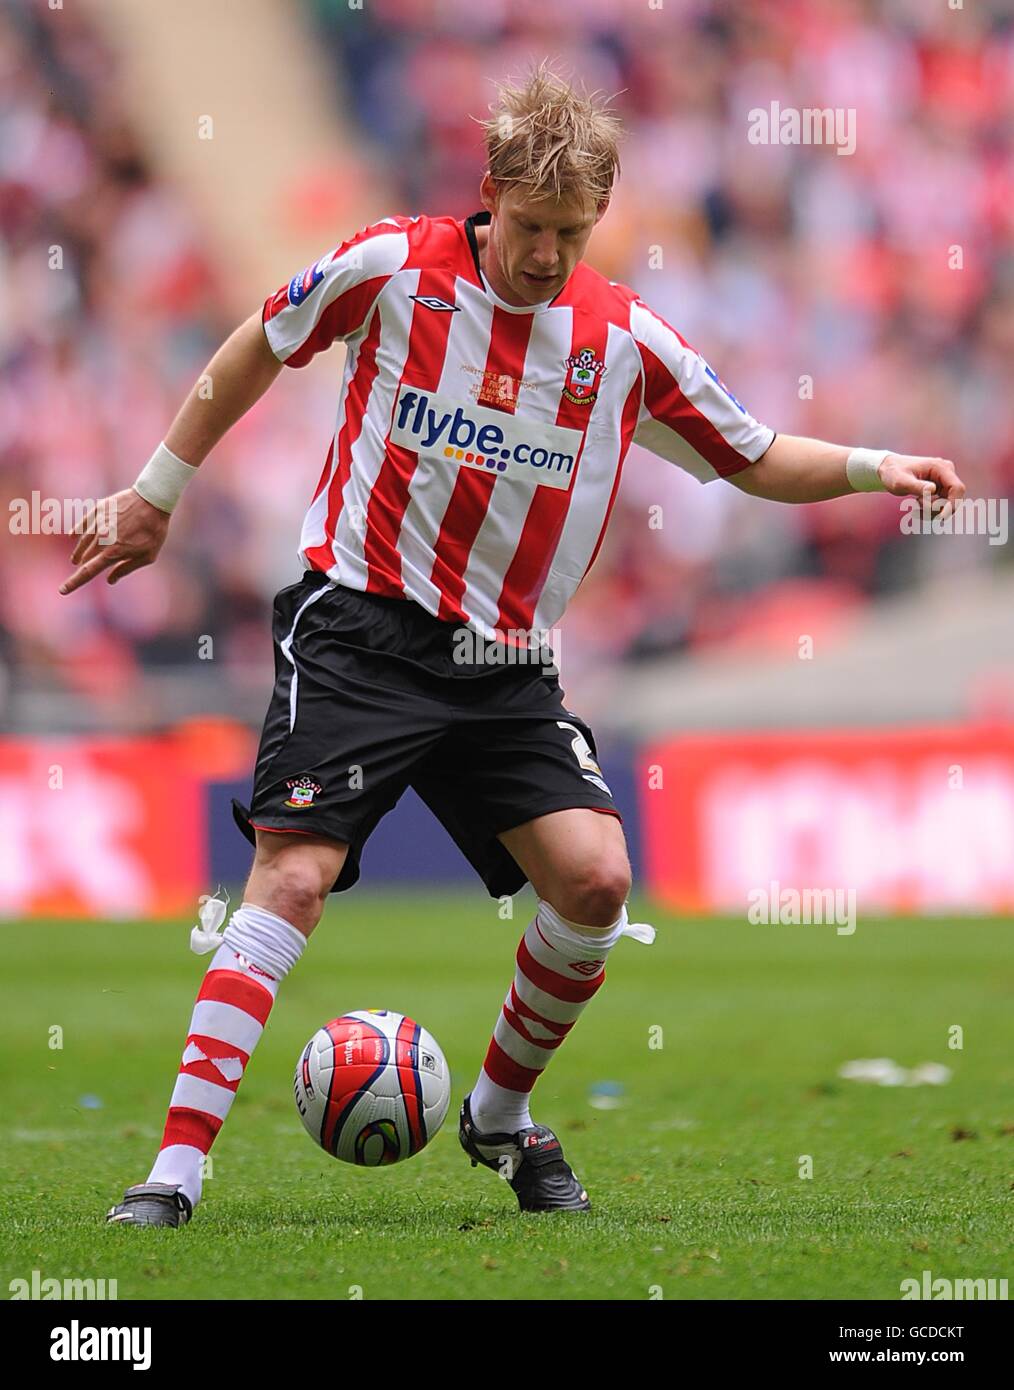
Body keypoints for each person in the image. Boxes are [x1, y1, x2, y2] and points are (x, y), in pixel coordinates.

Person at [63, 66, 964, 1226]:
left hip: (504, 664)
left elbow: (748, 453)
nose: (548, 256)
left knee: (596, 878)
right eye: (532, 229)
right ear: (489, 195)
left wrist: (869, 465)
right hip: (360, 627)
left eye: (573, 234)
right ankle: (173, 1175)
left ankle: (494, 1116)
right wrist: (155, 492)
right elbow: (253, 344)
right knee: (294, 873)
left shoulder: (625, 344)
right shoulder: (392, 267)